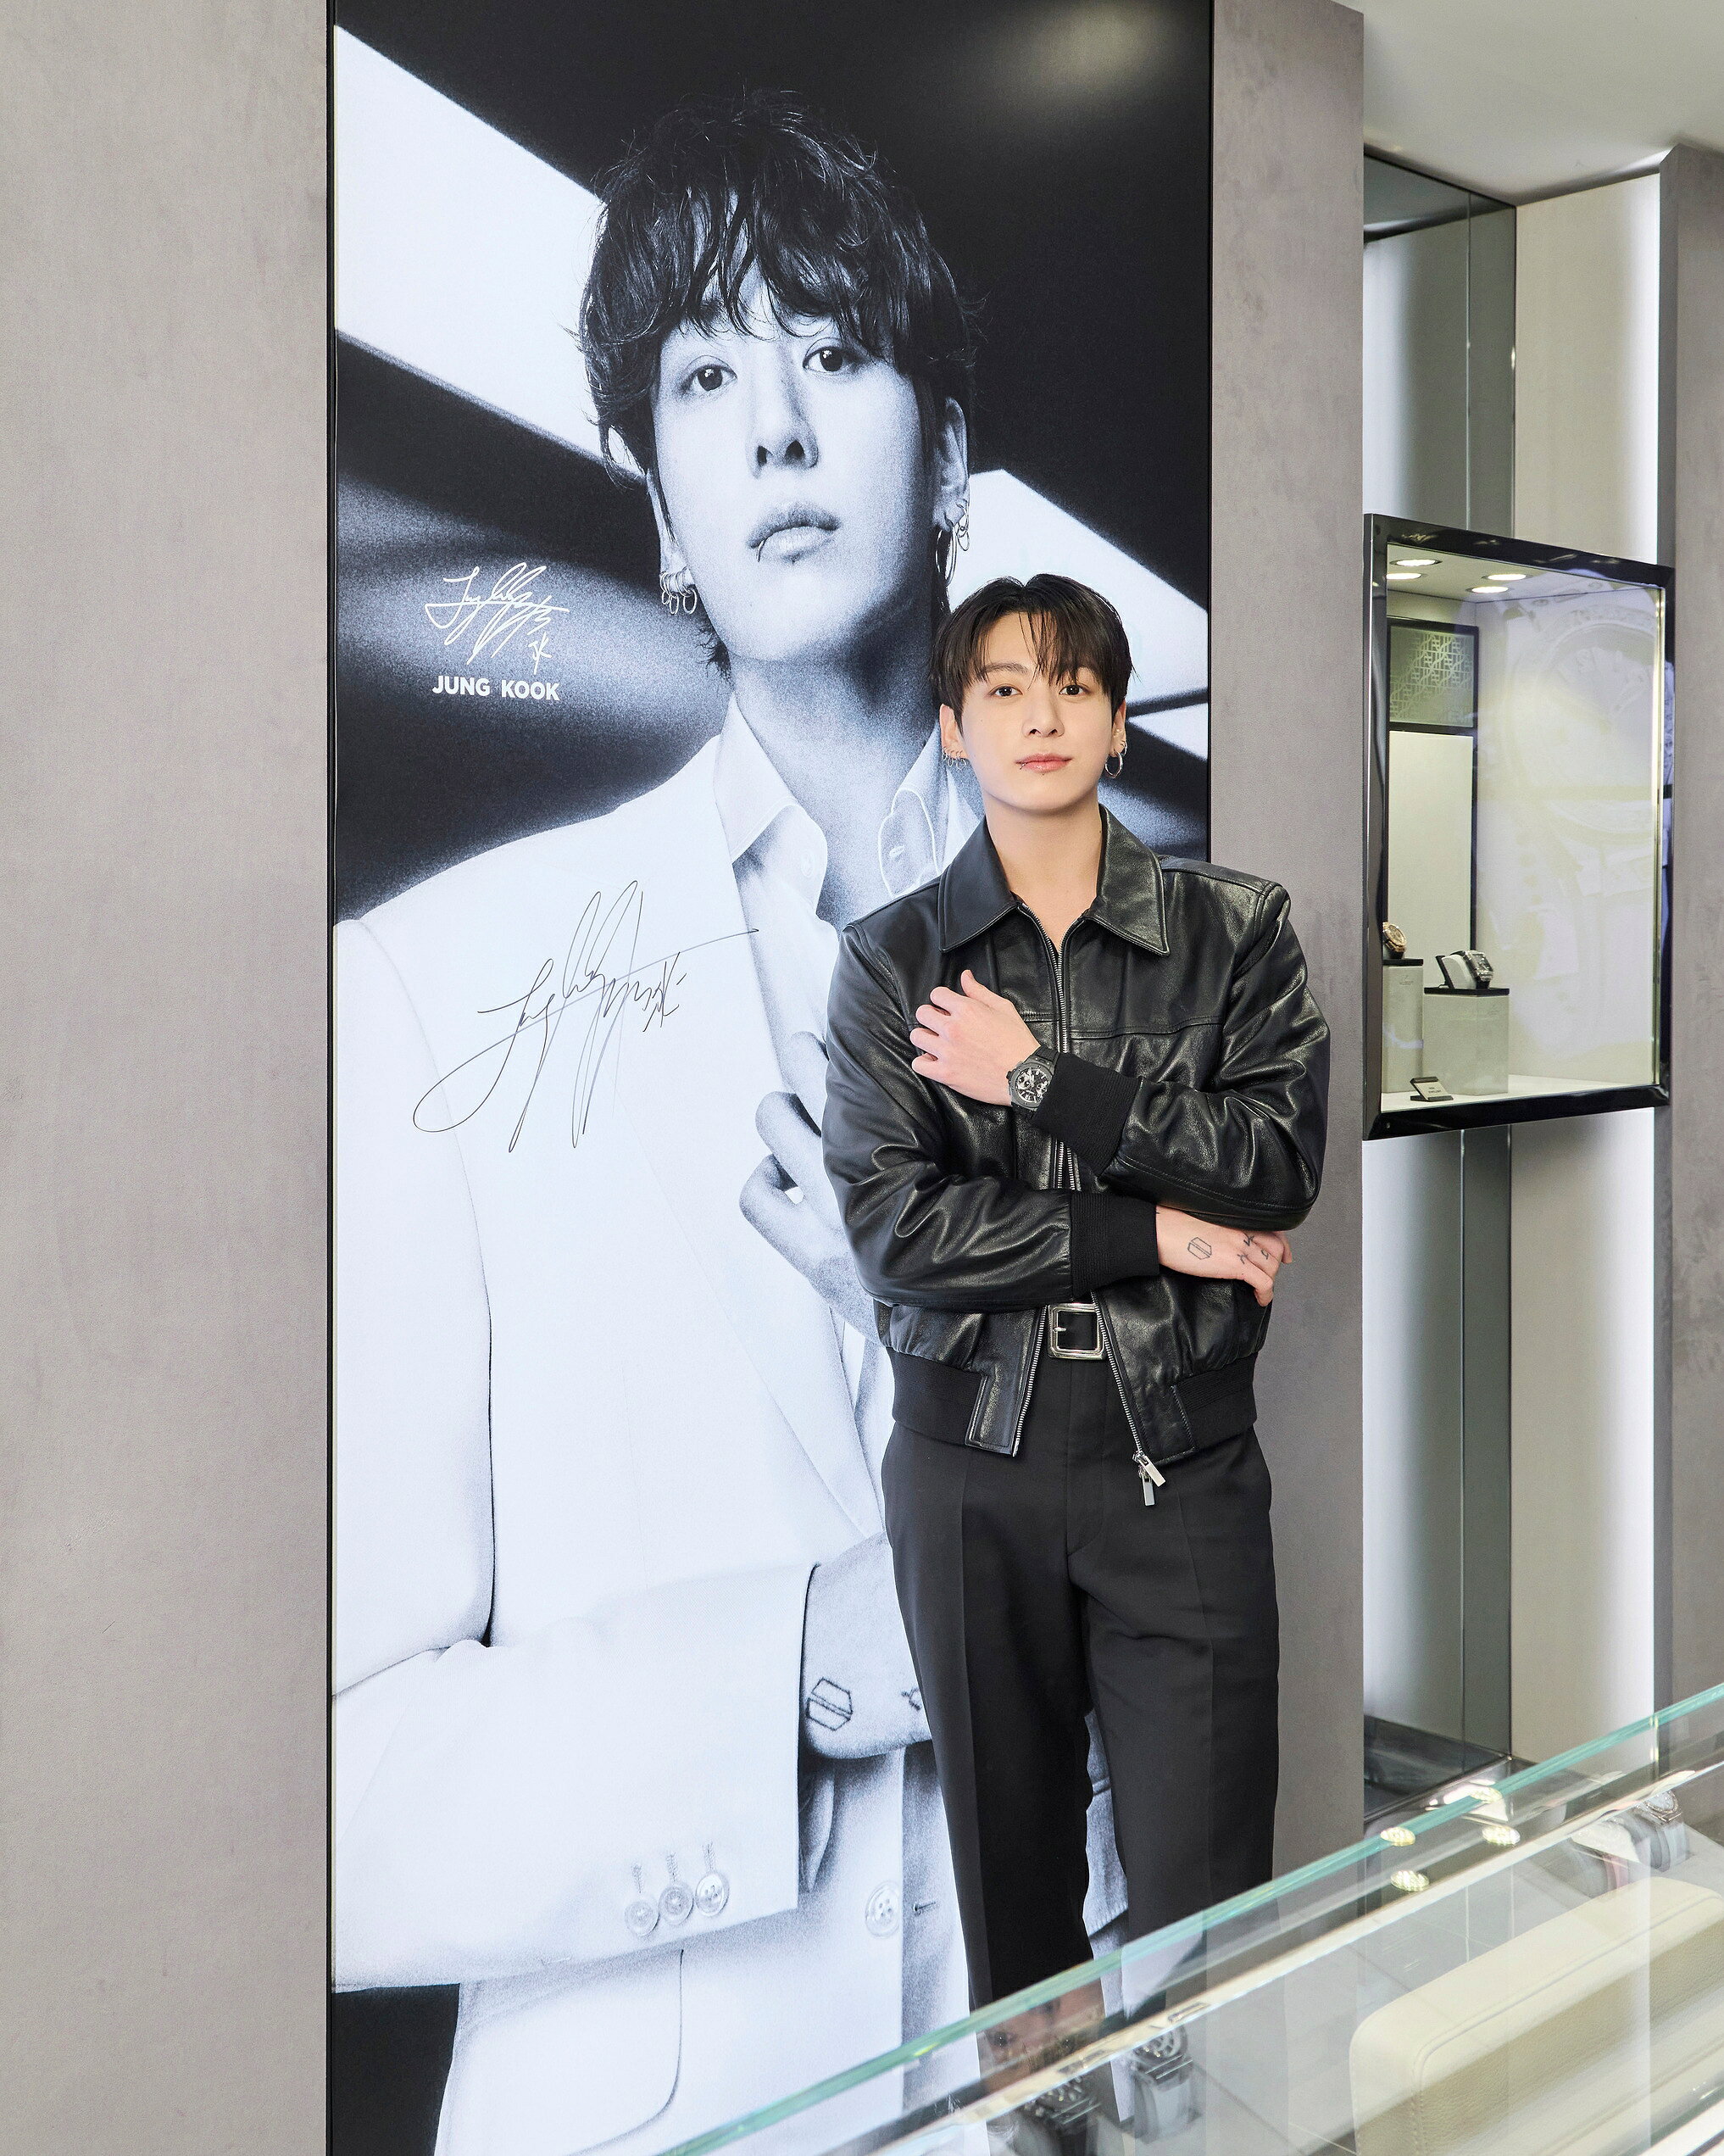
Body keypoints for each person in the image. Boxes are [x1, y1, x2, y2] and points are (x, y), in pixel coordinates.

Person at [334, 97, 1127, 2156]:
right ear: (664, 503)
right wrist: (807, 1667)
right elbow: (332, 1789)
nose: (774, 429)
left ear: (946, 457)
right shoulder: (436, 982)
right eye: (705, 378)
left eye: (834, 354)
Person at [823, 574, 1331, 2012]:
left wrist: (1039, 1079)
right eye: (1001, 688)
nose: (1037, 715)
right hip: (967, 1468)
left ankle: (1198, 2113)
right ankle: (1037, 2121)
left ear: (1115, 724)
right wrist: (1152, 1233)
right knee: (1014, 1906)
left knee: (1204, 1914)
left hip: (1177, 1460)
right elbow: (897, 1234)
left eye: (1072, 686)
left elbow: (1273, 1166)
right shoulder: (893, 959)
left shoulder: (1237, 931)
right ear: (951, 726)